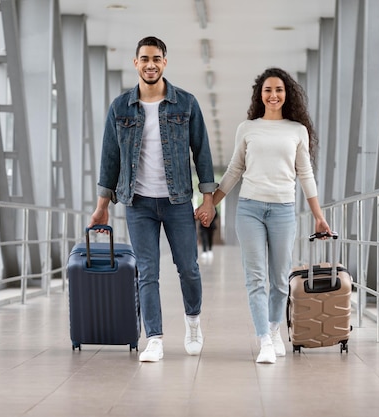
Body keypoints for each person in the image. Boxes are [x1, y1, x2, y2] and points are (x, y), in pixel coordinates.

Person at [89, 36, 217, 363]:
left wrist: (208, 200)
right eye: (144, 58)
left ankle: (192, 323)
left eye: (156, 58)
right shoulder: (120, 107)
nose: (150, 64)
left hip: (177, 201)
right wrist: (102, 206)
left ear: (164, 62)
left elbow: (202, 152)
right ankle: (155, 338)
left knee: (188, 268)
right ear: (135, 63)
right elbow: (109, 158)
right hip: (138, 202)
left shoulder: (185, 104)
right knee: (147, 271)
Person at [196, 67, 331, 364]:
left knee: (280, 278)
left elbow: (305, 175)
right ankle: (264, 341)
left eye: (279, 90)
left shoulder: (297, 131)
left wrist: (319, 216)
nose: (273, 95)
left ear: (287, 95)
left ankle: (273, 329)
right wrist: (211, 205)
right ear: (260, 94)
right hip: (250, 210)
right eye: (268, 90)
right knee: (256, 278)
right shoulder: (248, 128)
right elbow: (233, 171)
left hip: (283, 210)